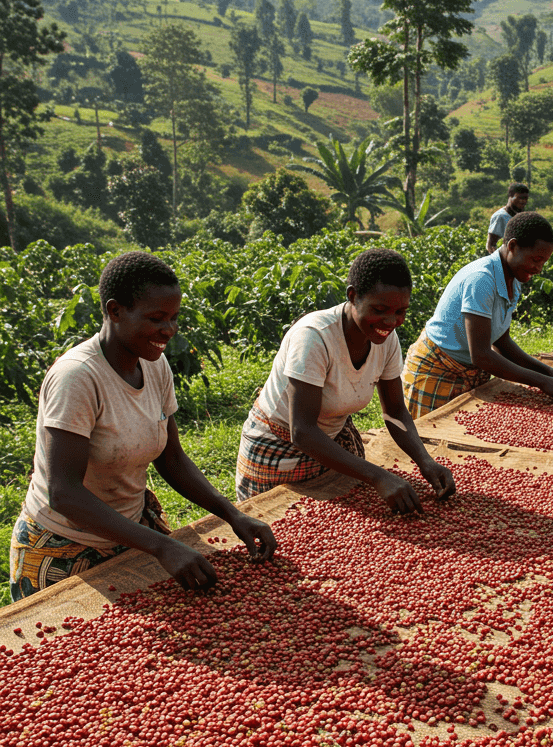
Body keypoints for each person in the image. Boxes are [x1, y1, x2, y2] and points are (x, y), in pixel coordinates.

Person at [10, 252, 276, 602]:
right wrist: (162, 547)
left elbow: (172, 459)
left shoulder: (154, 365)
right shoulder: (77, 378)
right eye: (156, 318)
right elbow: (64, 493)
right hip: (65, 545)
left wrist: (232, 514)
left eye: (174, 318)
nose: (168, 330)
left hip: (131, 531)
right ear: (115, 311)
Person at [235, 248, 455, 513]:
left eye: (400, 311)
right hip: (279, 450)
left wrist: (424, 460)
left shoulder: (386, 340)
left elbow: (395, 410)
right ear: (353, 296)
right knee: (286, 524)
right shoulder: (314, 337)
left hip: (331, 444)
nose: (391, 321)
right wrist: (378, 476)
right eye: (380, 309)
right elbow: (302, 431)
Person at [403, 212, 553, 419]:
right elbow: (481, 354)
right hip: (438, 369)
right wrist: (541, 381)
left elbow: (502, 342)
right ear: (512, 246)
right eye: (536, 259)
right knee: (428, 438)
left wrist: (549, 372)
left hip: (470, 371)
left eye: (543, 262)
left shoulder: (513, 280)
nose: (539, 269)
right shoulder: (482, 280)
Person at [486, 183, 529, 254]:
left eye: (525, 198)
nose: (523, 201)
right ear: (510, 196)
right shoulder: (500, 217)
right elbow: (491, 246)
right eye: (520, 197)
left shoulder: (522, 216)